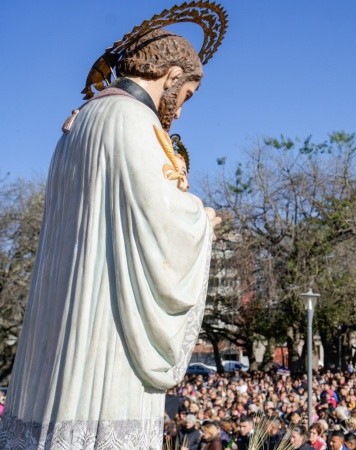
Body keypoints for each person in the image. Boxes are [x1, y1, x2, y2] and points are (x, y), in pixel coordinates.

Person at [0, 3, 226, 448]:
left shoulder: (80, 119)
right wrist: (203, 221)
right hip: (105, 315)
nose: (180, 112)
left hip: (67, 308)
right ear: (172, 74)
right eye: (187, 96)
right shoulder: (130, 120)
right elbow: (157, 217)